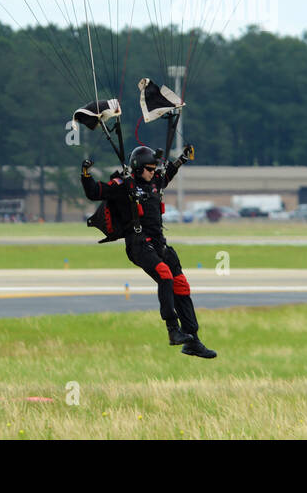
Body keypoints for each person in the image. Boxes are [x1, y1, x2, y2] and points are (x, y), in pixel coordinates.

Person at [81, 144, 217, 358]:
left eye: (155, 169)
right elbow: (95, 192)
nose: (154, 172)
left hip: (159, 244)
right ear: (137, 168)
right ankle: (173, 330)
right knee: (164, 274)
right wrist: (86, 174)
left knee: (181, 284)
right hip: (138, 244)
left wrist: (182, 158)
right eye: (150, 169)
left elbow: (169, 172)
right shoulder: (124, 185)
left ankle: (192, 339)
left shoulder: (155, 182)